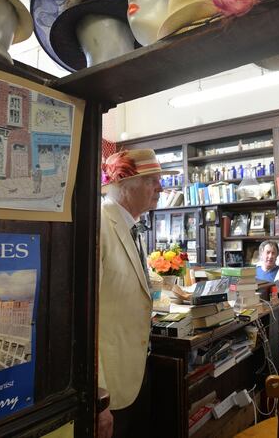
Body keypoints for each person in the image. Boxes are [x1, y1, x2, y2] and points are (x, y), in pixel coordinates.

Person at [98, 149, 176, 438]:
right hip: (110, 386)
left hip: (136, 370)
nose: (161, 188)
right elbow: (82, 319)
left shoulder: (132, 227)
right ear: (124, 185)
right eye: (151, 180)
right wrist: (98, 397)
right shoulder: (99, 224)